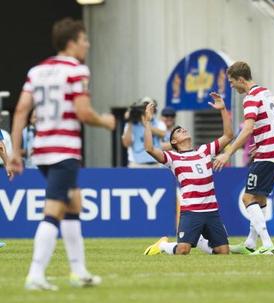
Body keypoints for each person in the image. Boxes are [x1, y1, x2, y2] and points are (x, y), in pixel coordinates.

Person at [9, 18, 115, 290]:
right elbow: (83, 112)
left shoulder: (37, 71)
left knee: (73, 202)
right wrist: (105, 121)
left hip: (42, 149)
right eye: (84, 40)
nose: (87, 45)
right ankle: (35, 275)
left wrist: (16, 151)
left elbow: (21, 110)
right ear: (72, 43)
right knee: (53, 210)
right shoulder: (76, 70)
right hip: (63, 150)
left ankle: (79, 272)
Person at [213, 61, 274, 255]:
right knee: (260, 197)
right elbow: (268, 122)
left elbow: (247, 128)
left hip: (269, 152)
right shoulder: (265, 92)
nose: (231, 86)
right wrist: (258, 142)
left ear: (240, 79)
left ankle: (267, 244)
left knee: (247, 197)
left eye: (232, 82)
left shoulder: (250, 98)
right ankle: (250, 243)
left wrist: (228, 152)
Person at [142, 92, 233, 256]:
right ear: (174, 142)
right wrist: (147, 122)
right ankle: (163, 246)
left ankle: (198, 238)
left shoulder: (205, 151)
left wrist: (223, 109)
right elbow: (149, 148)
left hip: (211, 210)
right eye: (178, 131)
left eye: (183, 128)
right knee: (183, 250)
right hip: (191, 211)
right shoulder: (172, 157)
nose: (182, 129)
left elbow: (228, 136)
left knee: (223, 252)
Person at [122, 98, 166, 167]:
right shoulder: (131, 124)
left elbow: (162, 134)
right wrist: (130, 120)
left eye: (148, 107)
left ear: (154, 109)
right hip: (137, 164)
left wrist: (146, 123)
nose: (145, 109)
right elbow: (126, 143)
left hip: (156, 163)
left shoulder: (159, 123)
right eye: (143, 107)